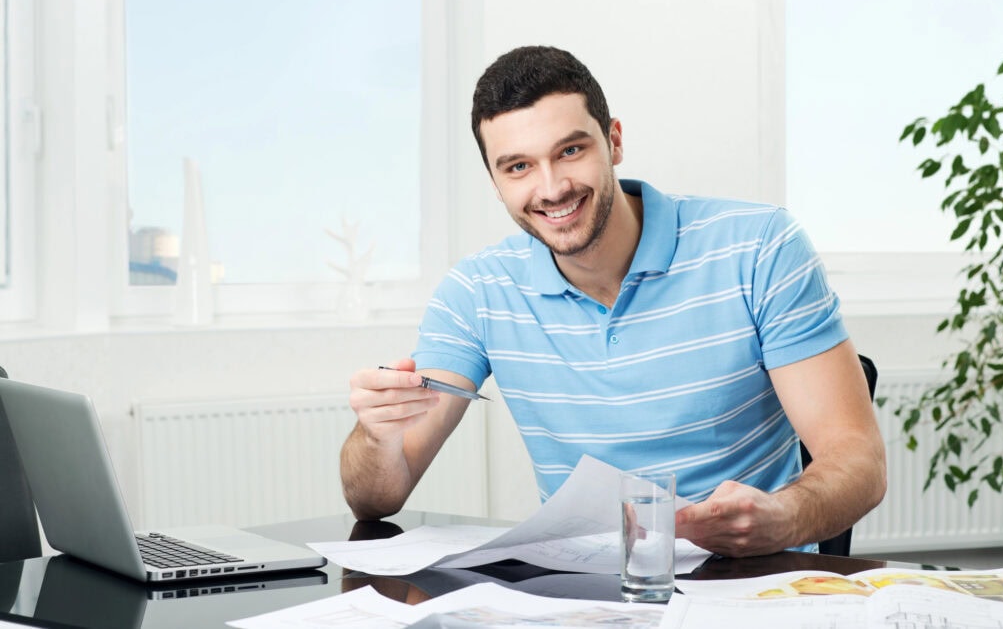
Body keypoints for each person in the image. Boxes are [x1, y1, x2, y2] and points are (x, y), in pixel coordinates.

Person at [340, 45, 886, 557]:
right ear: (495, 180)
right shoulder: (478, 293)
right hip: (589, 596)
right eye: (518, 167)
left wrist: (782, 518)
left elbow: (858, 462)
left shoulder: (760, 246)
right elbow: (376, 499)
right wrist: (376, 436)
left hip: (749, 583)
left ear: (614, 141)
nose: (551, 187)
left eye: (570, 150)